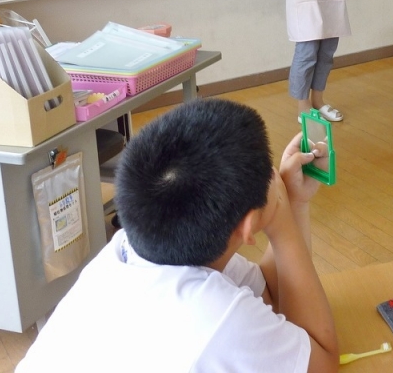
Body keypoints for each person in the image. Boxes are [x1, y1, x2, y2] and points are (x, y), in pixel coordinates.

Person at [17, 99, 339, 373]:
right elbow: (322, 359)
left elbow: (269, 293)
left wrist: (292, 202)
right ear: (247, 226)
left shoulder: (129, 248)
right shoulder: (221, 318)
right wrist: (281, 222)